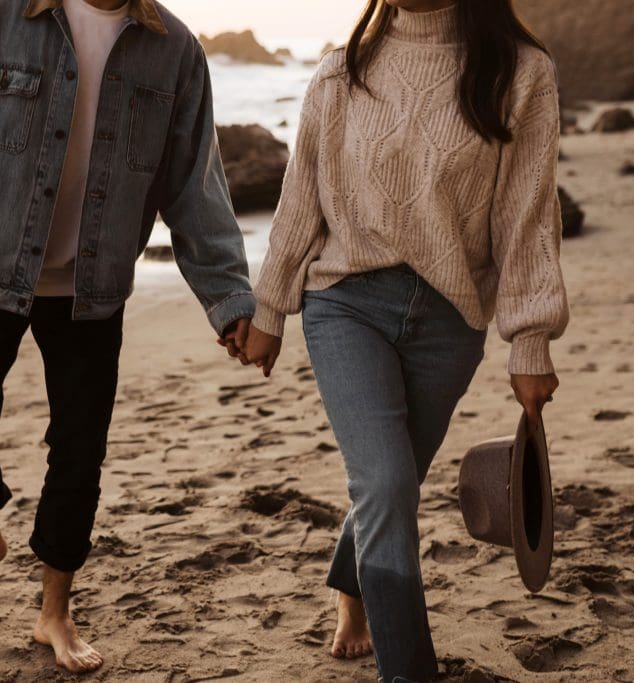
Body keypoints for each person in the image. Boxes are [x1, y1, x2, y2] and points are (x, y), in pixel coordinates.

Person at [0, 0, 255, 673]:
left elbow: (195, 188)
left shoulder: (175, 53)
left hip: (91, 286)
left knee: (79, 451)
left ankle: (54, 610)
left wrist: (228, 300)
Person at [242, 0, 570, 680]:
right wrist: (270, 307)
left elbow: (527, 215)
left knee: (391, 482)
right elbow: (301, 198)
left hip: (449, 324)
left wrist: (530, 338)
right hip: (346, 305)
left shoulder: (521, 74)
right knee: (388, 481)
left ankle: (351, 588)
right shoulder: (339, 76)